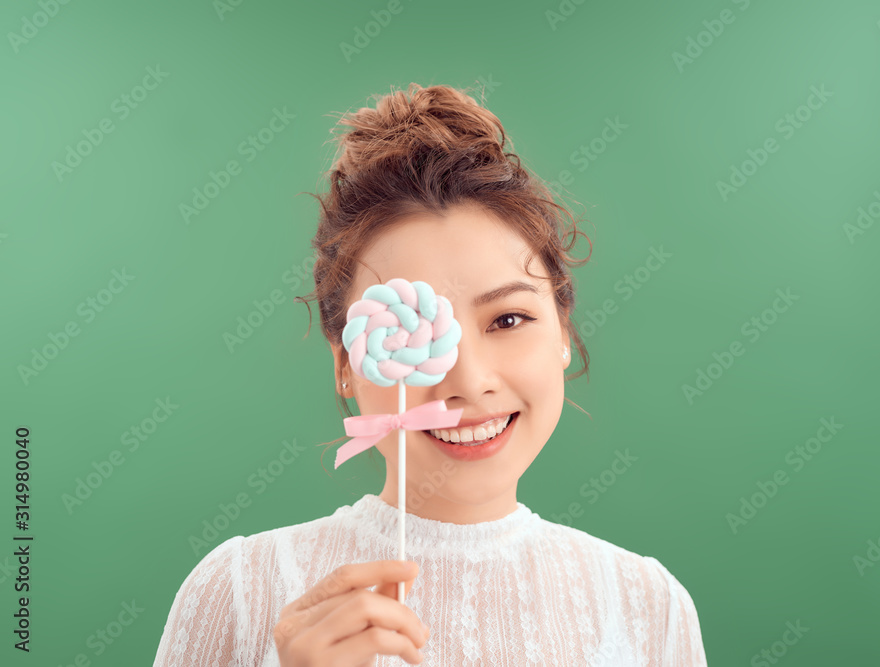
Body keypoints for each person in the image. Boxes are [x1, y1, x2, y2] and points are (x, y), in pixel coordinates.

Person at [152, 82, 708, 666]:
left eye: (508, 318)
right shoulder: (240, 591)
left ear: (563, 333)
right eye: (413, 329)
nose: (467, 381)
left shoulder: (649, 607)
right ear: (346, 363)